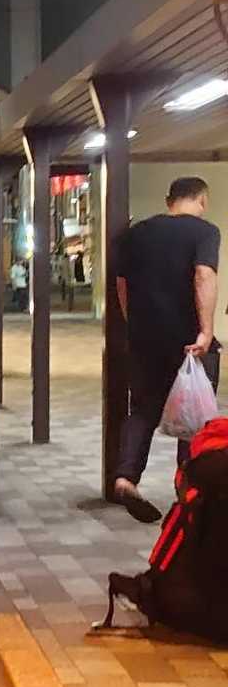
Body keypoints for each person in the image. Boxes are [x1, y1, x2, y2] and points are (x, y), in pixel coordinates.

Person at [112, 176, 221, 523]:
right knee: (194, 417)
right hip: (188, 342)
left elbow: (122, 283)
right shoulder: (205, 232)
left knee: (142, 411)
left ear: (168, 200)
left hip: (144, 339)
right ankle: (188, 489)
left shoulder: (136, 234)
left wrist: (134, 324)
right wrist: (206, 331)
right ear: (202, 201)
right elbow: (203, 276)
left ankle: (126, 478)